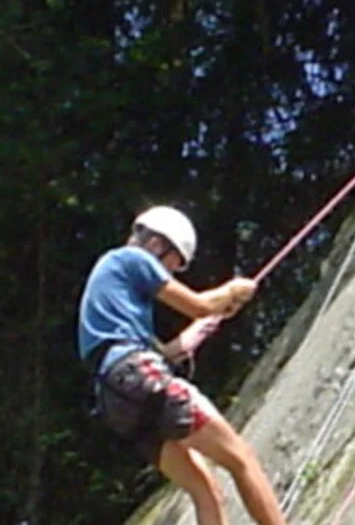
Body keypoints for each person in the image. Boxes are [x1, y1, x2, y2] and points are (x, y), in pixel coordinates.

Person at [77, 205, 286, 525]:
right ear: (158, 244)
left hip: (116, 398)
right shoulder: (131, 258)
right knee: (241, 458)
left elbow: (165, 351)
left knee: (205, 491)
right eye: (171, 267)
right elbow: (199, 304)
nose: (170, 276)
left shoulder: (114, 299)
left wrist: (205, 323)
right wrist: (232, 290)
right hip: (137, 375)